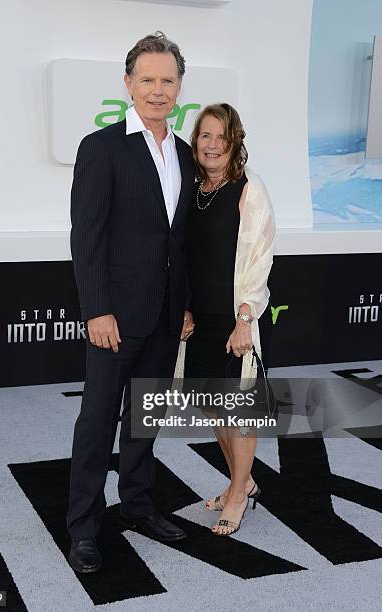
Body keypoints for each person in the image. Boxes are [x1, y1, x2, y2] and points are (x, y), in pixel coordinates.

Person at [67, 32, 196, 573]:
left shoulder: (186, 155)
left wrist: (184, 305)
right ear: (128, 84)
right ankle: (83, 527)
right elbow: (87, 237)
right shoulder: (102, 148)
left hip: (166, 318)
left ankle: (138, 506)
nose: (158, 90)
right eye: (148, 80)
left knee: (144, 417)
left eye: (168, 80)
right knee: (98, 419)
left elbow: (181, 240)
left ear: (179, 86)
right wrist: (96, 309)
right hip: (114, 319)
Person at [182, 103, 275, 536]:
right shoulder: (191, 188)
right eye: (205, 135)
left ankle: (239, 494)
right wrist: (182, 306)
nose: (213, 144)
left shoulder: (248, 188)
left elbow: (259, 257)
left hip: (235, 318)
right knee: (212, 404)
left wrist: (244, 318)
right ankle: (244, 480)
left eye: (221, 136)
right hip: (199, 318)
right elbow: (181, 256)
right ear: (195, 141)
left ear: (234, 141)